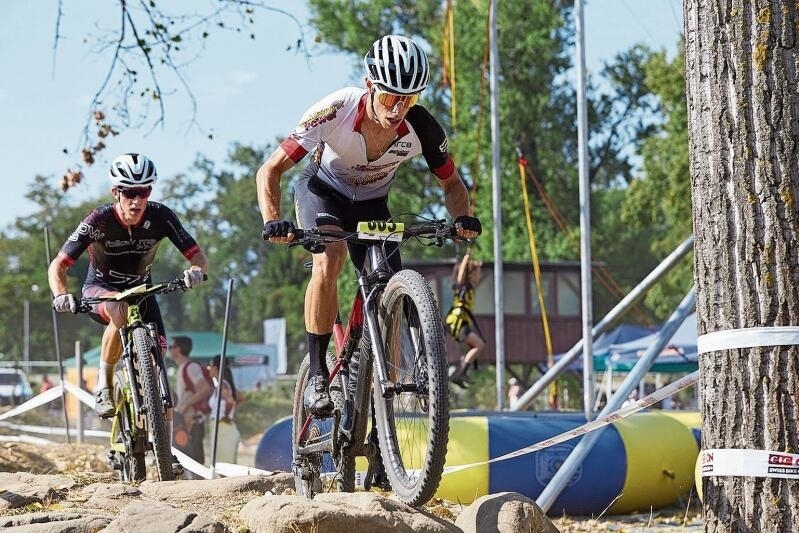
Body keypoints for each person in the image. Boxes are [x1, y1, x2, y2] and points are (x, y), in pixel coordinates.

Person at [257, 35, 482, 417]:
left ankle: (382, 411)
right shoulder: (336, 109)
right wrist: (273, 221)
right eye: (390, 97)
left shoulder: (422, 128)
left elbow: (452, 184)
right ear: (369, 85)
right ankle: (316, 373)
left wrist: (461, 218)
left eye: (408, 99)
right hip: (322, 191)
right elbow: (271, 169)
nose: (398, 108)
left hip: (372, 205)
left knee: (391, 284)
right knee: (331, 257)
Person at [47, 152, 209, 423]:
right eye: (129, 192)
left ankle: (166, 456)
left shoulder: (161, 216)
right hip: (100, 290)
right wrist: (61, 294)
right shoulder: (98, 220)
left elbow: (198, 257)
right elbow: (58, 265)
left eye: (144, 191)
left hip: (141, 292)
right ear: (115, 192)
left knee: (160, 373)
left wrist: (196, 271)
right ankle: (105, 385)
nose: (137, 200)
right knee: (119, 309)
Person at [170, 335, 213, 476]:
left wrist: (184, 406)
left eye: (172, 347)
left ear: (179, 349)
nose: (169, 350)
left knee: (194, 461)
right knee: (188, 460)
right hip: (187, 422)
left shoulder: (191, 367)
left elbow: (205, 389)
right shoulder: (184, 368)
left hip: (192, 421)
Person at [445, 251, 486, 388]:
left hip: (461, 322)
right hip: (457, 322)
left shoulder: (470, 288)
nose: (478, 276)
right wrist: (466, 259)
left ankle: (458, 374)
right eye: (477, 272)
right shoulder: (463, 285)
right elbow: (462, 272)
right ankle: (461, 372)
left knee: (470, 350)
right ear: (470, 274)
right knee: (479, 345)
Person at [205, 355, 241, 464]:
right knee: (221, 462)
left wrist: (227, 415)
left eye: (210, 366)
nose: (208, 368)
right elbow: (239, 399)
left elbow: (230, 401)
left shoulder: (222, 385)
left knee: (222, 463)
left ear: (216, 368)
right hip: (221, 428)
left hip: (222, 427)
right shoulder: (222, 384)